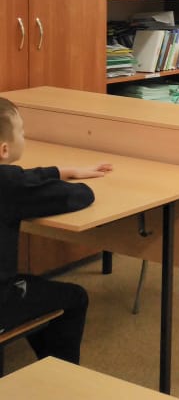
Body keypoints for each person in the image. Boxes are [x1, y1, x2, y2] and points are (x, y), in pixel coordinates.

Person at [0, 96, 112, 364]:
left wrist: (60, 171)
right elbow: (79, 196)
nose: (25, 137)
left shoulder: (11, 182)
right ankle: (60, 377)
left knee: (32, 286)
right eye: (22, 132)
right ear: (4, 149)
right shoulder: (9, 186)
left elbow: (21, 179)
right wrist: (71, 179)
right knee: (75, 298)